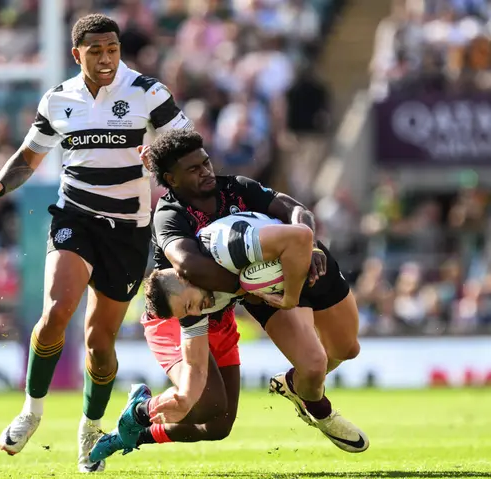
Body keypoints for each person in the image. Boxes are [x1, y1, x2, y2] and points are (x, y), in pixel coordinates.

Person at [0, 14, 191, 473]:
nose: (106, 58)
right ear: (77, 55)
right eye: (96, 51)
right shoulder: (58, 100)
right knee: (55, 312)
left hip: (129, 230)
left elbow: (188, 147)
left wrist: (160, 157)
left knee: (99, 340)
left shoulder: (148, 93)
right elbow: (29, 157)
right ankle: (31, 410)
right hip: (76, 218)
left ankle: (91, 425)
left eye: (112, 49)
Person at [89, 129, 368, 461]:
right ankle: (140, 413)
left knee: (219, 425)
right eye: (193, 169)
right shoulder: (169, 214)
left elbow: (293, 209)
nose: (205, 171)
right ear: (170, 179)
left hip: (224, 305)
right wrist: (250, 285)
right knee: (205, 404)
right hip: (184, 311)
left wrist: (304, 241)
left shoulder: (235, 187)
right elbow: (189, 266)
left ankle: (139, 432)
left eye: (205, 162)